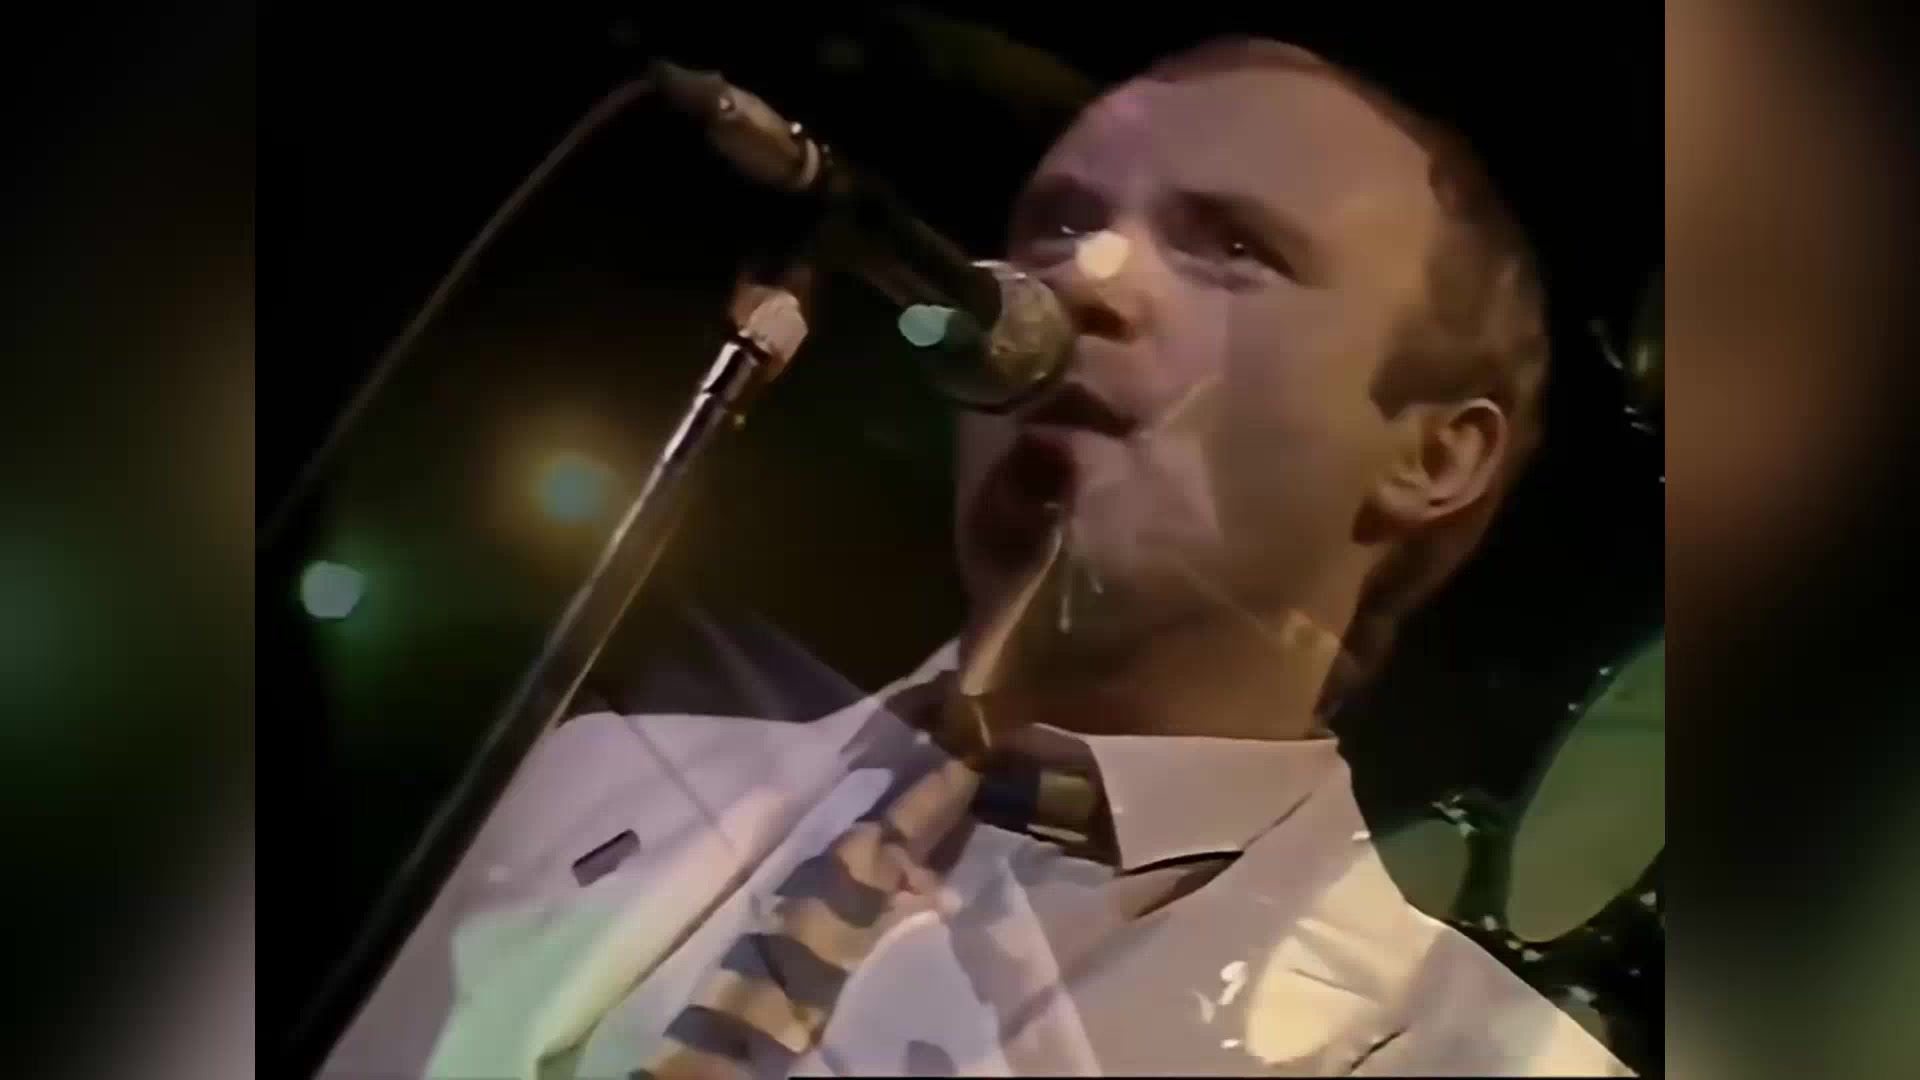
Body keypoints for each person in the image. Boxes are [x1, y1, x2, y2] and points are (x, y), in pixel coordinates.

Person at [321, 36, 1630, 1079]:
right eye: (1054, 224)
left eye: (1234, 249)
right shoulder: (584, 778)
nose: (1084, 281)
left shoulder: (1479, 1059)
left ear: (1432, 455)